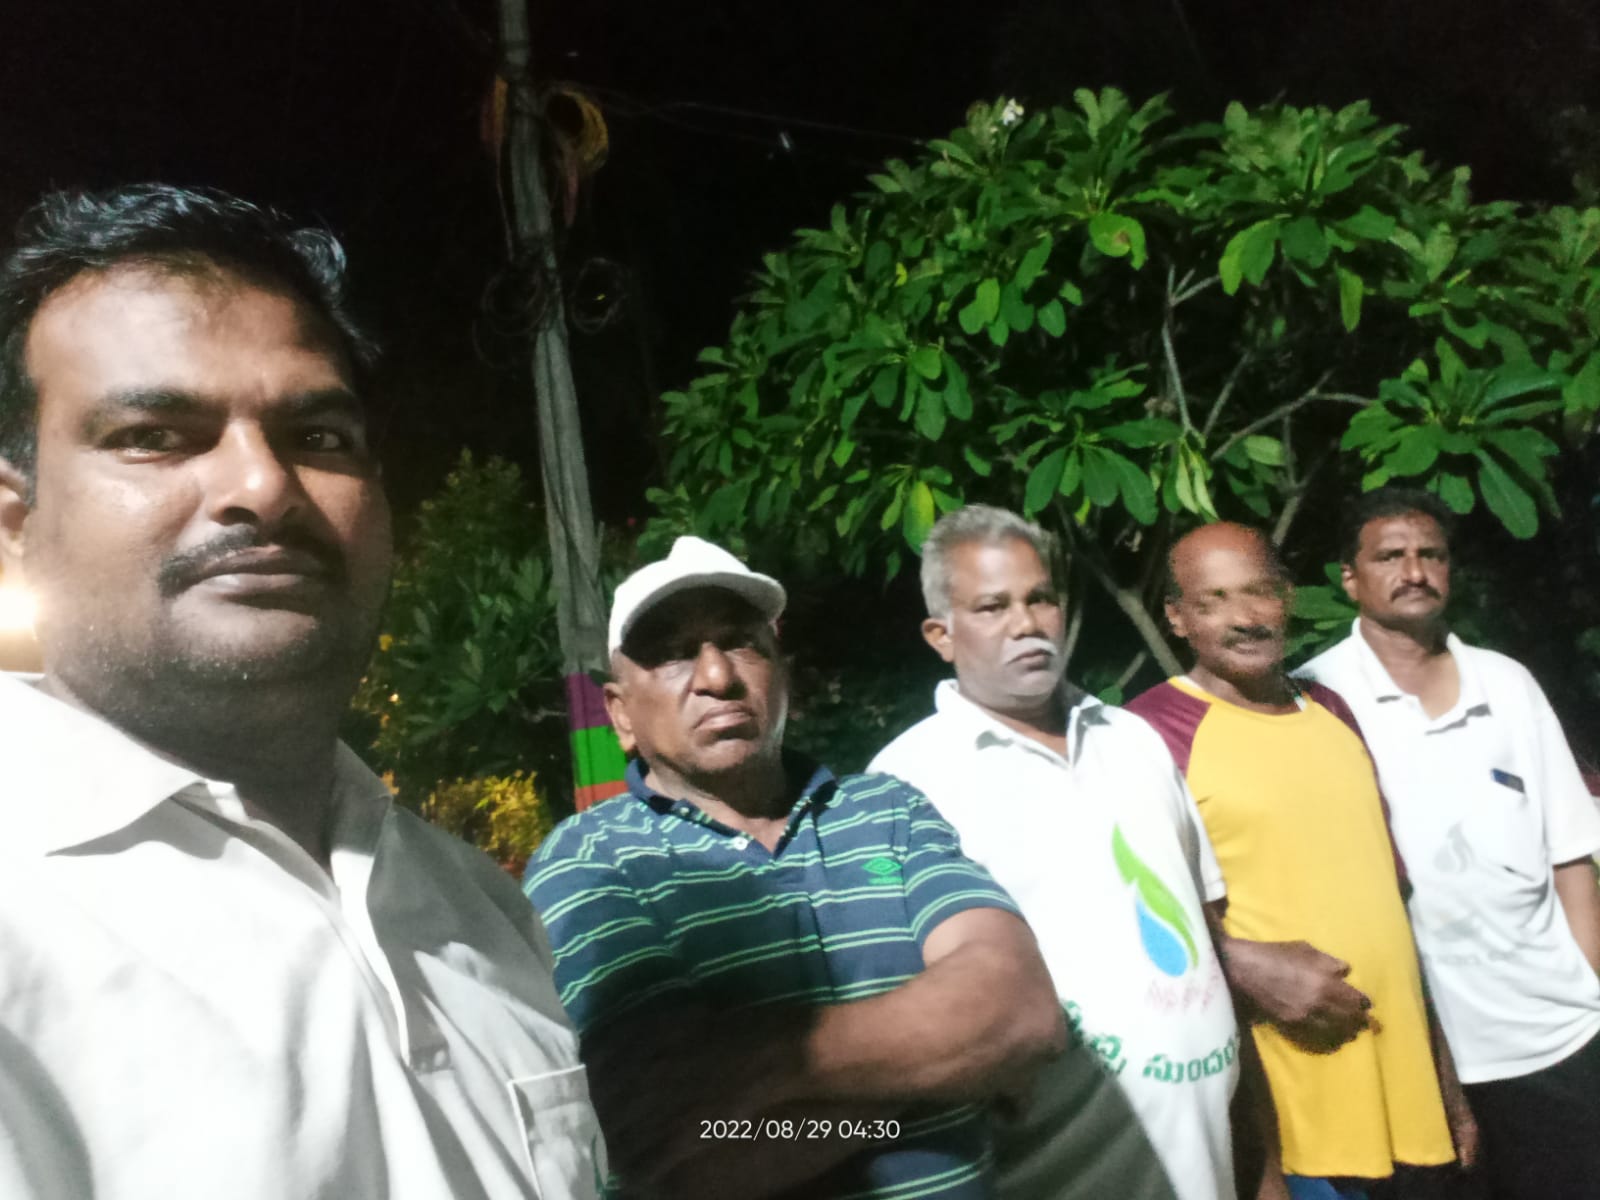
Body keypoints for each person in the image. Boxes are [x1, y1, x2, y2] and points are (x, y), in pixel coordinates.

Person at [0, 185, 602, 1199]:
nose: (264, 486)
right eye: (155, 433)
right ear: (17, 525)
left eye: (319, 437)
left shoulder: (479, 906)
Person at [524, 535, 1065, 1199]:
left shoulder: (888, 809)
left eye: (740, 642)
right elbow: (676, 1154)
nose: (717, 677)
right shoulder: (587, 860)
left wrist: (746, 1069)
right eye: (672, 653)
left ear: (783, 675)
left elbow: (1022, 1010)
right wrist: (953, 1072)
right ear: (620, 714)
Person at [869, 506, 1238, 1200]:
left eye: (1040, 598)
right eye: (993, 606)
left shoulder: (1133, 739)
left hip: (1214, 1164)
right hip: (1053, 1172)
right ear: (941, 635)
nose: (1027, 623)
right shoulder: (906, 785)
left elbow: (1206, 929)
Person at [1126, 523, 1465, 1200]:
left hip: (1406, 1091)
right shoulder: (1148, 732)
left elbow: (1391, 907)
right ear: (1177, 617)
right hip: (1289, 1111)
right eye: (1215, 600)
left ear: (1287, 597)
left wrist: (1447, 1086)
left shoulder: (1330, 710)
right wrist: (1242, 966)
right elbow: (1133, 918)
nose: (1245, 617)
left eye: (1260, 592)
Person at [1297, 487, 1600, 1200]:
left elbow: (1571, 856)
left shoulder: (1507, 683)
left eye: (1430, 554)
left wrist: (1593, 988)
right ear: (1350, 577)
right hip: (1409, 1047)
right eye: (1390, 556)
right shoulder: (1315, 698)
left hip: (1554, 1035)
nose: (1414, 571)